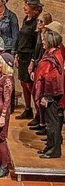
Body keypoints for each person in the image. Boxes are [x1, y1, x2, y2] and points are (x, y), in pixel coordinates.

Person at [34, 30, 64, 159]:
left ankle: (54, 150)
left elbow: (53, 80)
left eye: (45, 40)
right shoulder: (51, 54)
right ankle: (49, 146)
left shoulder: (54, 59)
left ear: (51, 42)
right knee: (50, 123)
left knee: (53, 124)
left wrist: (47, 97)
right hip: (50, 96)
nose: (43, 42)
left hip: (52, 97)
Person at [14, 0, 42, 120]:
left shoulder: (37, 22)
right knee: (24, 84)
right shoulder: (26, 19)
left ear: (34, 8)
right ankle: (28, 109)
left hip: (30, 56)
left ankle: (38, 113)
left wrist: (33, 61)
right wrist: (16, 54)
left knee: (31, 86)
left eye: (27, 5)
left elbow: (37, 44)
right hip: (22, 54)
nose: (24, 7)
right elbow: (20, 37)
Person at [29, 12, 54, 131]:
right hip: (37, 65)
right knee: (36, 94)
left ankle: (43, 122)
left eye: (41, 22)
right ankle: (39, 118)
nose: (38, 23)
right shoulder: (39, 34)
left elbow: (44, 53)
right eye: (38, 21)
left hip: (42, 67)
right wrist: (32, 63)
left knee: (41, 95)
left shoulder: (48, 36)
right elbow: (36, 51)